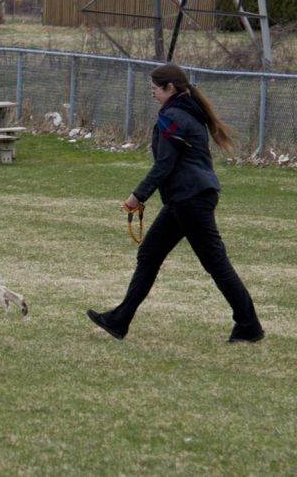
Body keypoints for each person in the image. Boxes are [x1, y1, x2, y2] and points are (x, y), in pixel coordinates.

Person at [87, 63, 264, 343]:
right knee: (149, 255)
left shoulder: (173, 118)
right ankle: (119, 320)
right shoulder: (186, 111)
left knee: (216, 264)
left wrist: (137, 195)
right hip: (187, 198)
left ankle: (249, 325)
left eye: (155, 89)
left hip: (190, 199)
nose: (153, 94)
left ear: (170, 88)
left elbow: (164, 166)